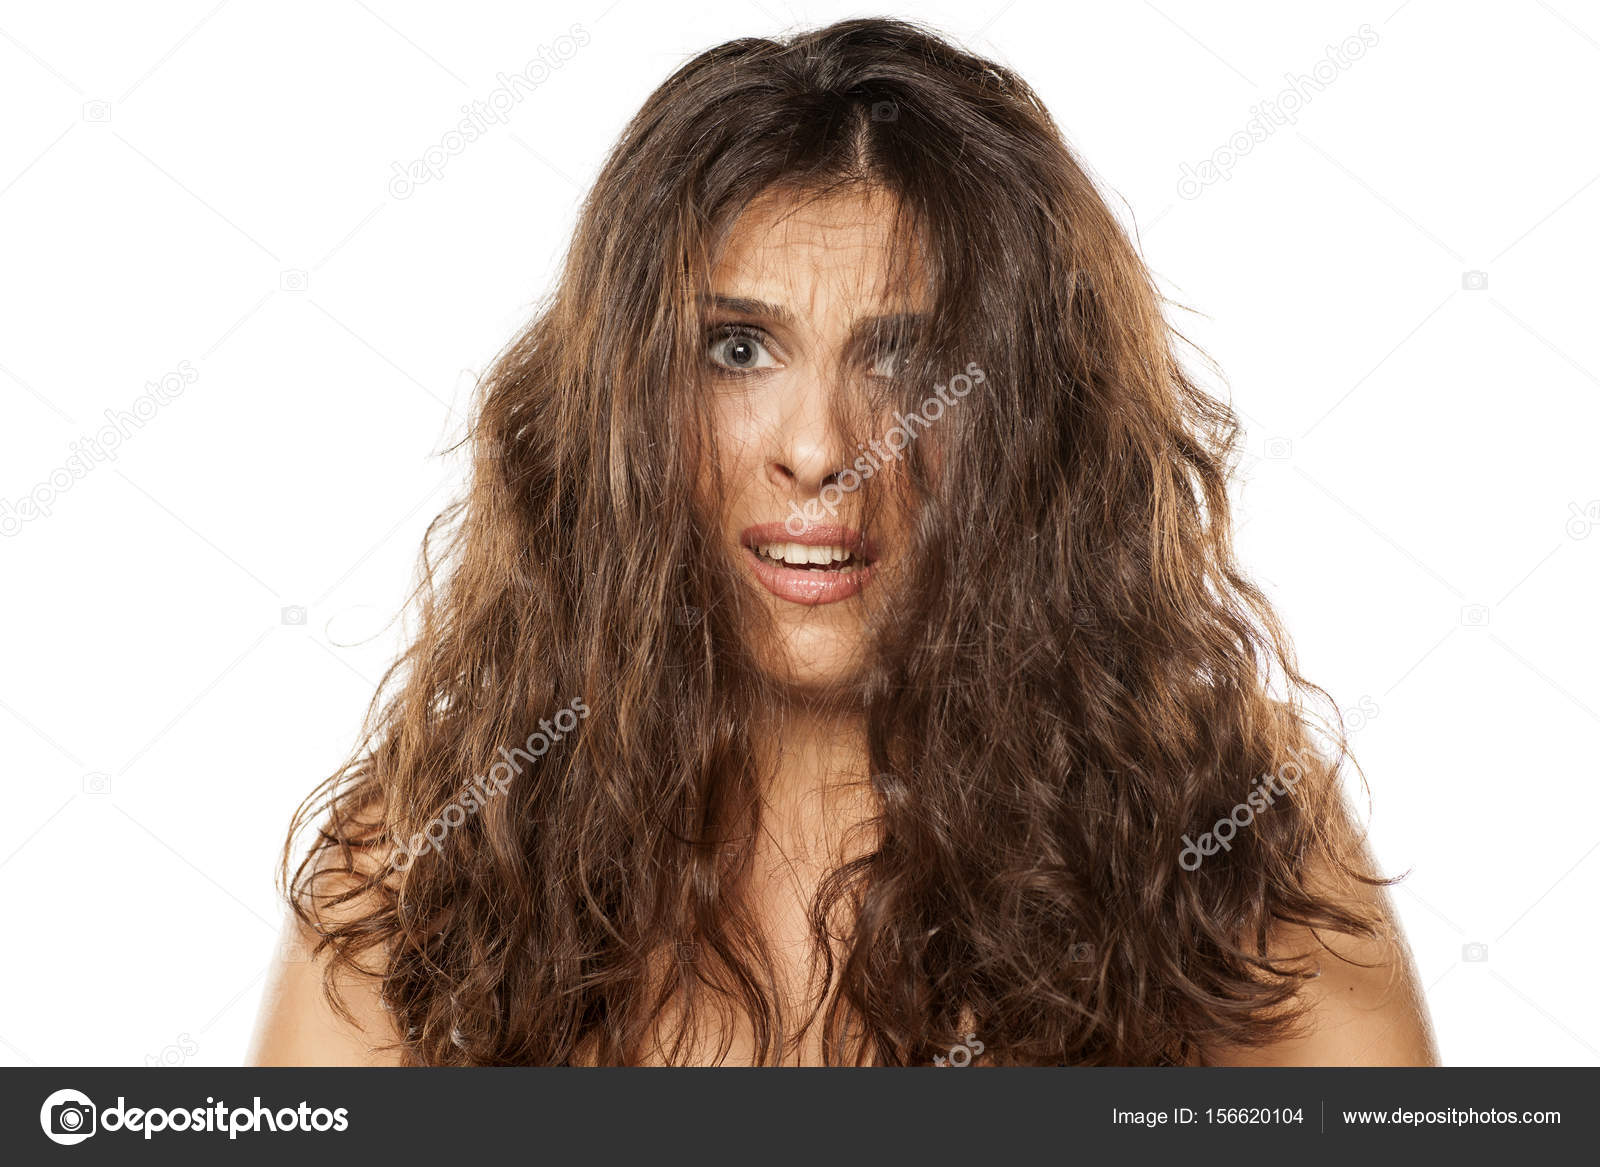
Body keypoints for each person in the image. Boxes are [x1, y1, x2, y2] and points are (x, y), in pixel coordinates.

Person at [251, 17, 1437, 1067]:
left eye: (907, 358)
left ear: (1030, 417)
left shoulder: (1222, 838)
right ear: (620, 406)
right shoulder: (431, 857)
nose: (819, 449)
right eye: (737, 351)